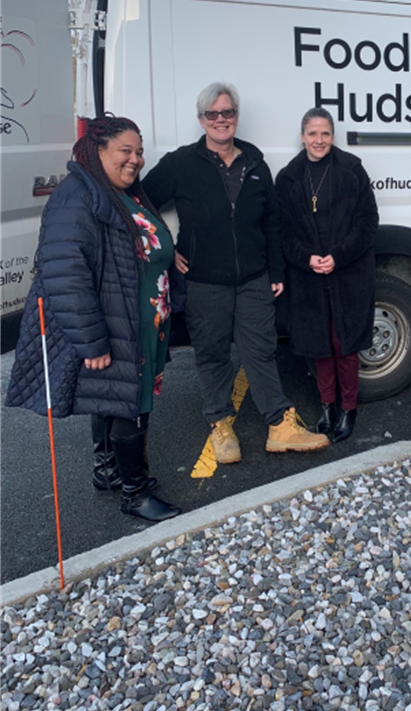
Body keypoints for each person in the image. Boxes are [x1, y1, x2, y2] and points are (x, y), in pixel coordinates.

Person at [7, 116, 181, 523]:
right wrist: (92, 342)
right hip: (116, 323)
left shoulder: (119, 192)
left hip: (139, 321)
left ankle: (109, 472)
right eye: (126, 151)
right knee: (130, 404)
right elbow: (64, 273)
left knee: (112, 397)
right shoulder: (76, 198)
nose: (135, 159)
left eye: (139, 152)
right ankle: (135, 494)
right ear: (97, 150)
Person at [141, 83, 329, 461]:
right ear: (202, 120)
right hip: (203, 281)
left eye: (227, 112)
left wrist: (276, 270)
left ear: (236, 117)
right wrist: (166, 246)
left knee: (260, 351)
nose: (221, 120)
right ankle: (220, 424)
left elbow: (272, 222)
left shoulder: (255, 162)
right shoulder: (181, 163)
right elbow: (141, 201)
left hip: (254, 278)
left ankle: (280, 424)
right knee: (212, 354)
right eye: (213, 114)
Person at [276, 108, 379, 442]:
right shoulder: (289, 177)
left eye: (325, 134)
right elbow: (283, 231)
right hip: (308, 277)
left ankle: (349, 407)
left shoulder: (351, 170)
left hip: (348, 272)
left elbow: (367, 221)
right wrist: (308, 259)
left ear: (332, 136)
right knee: (319, 345)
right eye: (312, 134)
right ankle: (327, 406)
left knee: (344, 343)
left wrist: (338, 256)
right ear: (302, 136)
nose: (318, 140)